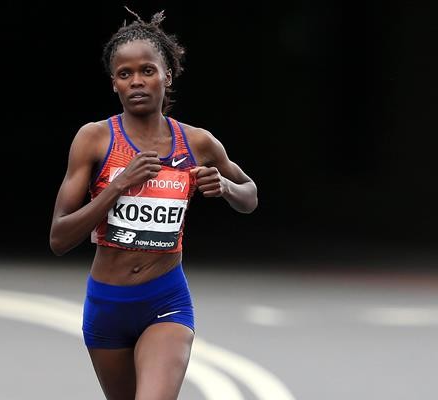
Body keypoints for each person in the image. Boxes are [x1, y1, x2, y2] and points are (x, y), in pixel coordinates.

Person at [49, 7, 258, 400]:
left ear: (167, 76)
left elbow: (250, 194)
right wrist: (118, 185)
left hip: (166, 299)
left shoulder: (197, 142)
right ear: (114, 84)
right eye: (124, 74)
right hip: (107, 304)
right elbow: (59, 238)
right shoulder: (94, 139)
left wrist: (226, 188)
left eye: (147, 70)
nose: (136, 81)